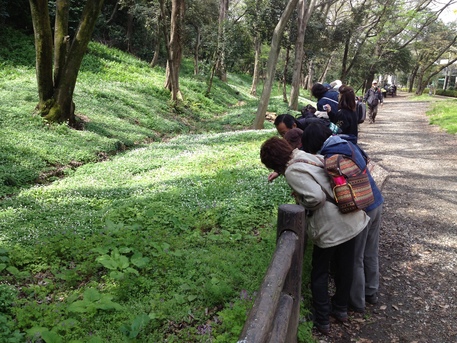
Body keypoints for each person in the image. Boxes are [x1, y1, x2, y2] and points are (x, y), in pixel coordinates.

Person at [260, 136, 369, 335]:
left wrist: (301, 199)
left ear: (273, 162)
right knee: (345, 267)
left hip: (331, 226)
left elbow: (315, 197)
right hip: (350, 216)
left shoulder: (292, 171)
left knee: (319, 272)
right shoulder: (303, 155)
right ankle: (341, 309)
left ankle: (322, 319)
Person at [302, 122, 385, 314]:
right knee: (371, 251)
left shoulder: (331, 157)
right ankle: (371, 291)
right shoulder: (347, 143)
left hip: (361, 208)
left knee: (355, 257)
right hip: (375, 198)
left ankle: (356, 302)